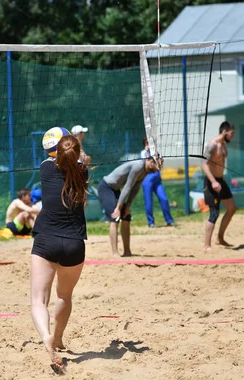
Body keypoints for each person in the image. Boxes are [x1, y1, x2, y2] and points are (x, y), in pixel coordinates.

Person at [30, 134, 89, 374]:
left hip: (47, 240)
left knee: (37, 300)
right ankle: (59, 337)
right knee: (64, 295)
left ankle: (46, 337)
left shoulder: (45, 168)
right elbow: (79, 159)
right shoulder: (83, 172)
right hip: (75, 244)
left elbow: (53, 155)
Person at [97, 156, 160, 257]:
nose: (158, 168)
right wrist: (118, 208)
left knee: (126, 217)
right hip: (106, 188)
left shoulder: (145, 171)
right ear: (150, 161)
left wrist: (127, 207)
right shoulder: (139, 165)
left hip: (115, 190)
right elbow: (128, 186)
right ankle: (115, 253)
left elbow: (135, 188)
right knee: (115, 217)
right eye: (157, 164)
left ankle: (127, 252)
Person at [202, 121, 236, 251]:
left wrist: (220, 180)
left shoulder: (223, 145)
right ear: (224, 131)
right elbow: (204, 164)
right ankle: (206, 245)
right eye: (231, 133)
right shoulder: (212, 145)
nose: (232, 136)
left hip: (220, 181)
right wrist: (213, 181)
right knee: (214, 213)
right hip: (212, 182)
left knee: (232, 208)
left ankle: (220, 238)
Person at [140, 137, 175, 228]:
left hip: (157, 180)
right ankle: (151, 222)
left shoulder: (156, 153)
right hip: (147, 180)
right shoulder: (143, 153)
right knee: (149, 202)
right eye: (147, 143)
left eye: (150, 143)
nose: (149, 145)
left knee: (164, 199)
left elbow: (160, 165)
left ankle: (169, 220)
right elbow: (147, 166)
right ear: (144, 145)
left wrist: (156, 156)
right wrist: (148, 153)